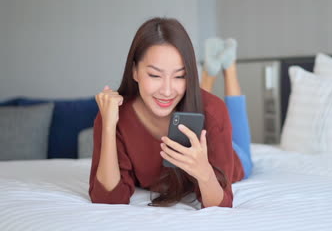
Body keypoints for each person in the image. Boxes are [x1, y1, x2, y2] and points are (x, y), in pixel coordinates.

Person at [89, 17, 253, 208]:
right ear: (134, 71)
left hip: (234, 157)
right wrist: (108, 126)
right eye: (155, 75)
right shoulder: (114, 114)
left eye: (180, 76)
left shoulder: (213, 111)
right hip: (199, 109)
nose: (166, 90)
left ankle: (229, 67)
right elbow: (108, 199)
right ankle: (210, 71)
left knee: (236, 139)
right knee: (199, 101)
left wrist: (204, 173)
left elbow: (220, 205)